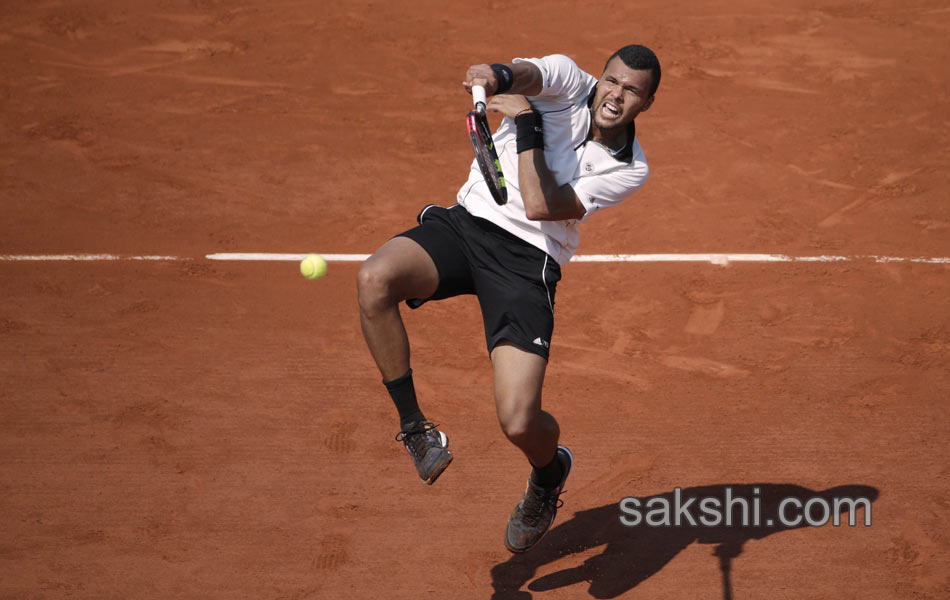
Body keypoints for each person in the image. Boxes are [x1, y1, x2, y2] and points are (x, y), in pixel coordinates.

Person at [357, 45, 660, 553]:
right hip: (468, 226)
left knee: (519, 421)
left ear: (647, 103)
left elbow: (542, 205)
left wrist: (527, 126)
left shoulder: (630, 168)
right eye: (612, 81)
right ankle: (415, 429)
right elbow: (520, 73)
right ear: (600, 76)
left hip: (528, 263)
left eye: (632, 91)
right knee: (374, 280)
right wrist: (494, 77)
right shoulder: (566, 79)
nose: (615, 95)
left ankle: (548, 472)